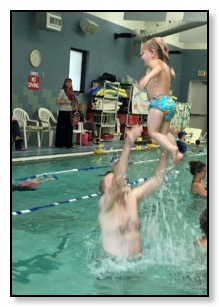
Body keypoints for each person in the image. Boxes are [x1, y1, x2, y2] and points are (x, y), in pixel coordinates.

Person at [98, 125, 172, 260]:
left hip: (137, 264)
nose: (115, 186)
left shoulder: (131, 197)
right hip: (112, 268)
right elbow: (118, 184)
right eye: (111, 186)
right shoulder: (105, 206)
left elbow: (157, 179)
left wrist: (164, 149)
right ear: (105, 192)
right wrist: (128, 143)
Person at [138, 37, 183, 165]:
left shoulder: (155, 62)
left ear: (152, 53)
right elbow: (170, 75)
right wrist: (172, 74)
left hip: (158, 103)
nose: (142, 57)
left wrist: (146, 77)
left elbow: (156, 69)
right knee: (164, 133)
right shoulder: (165, 65)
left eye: (143, 53)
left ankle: (173, 149)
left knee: (152, 132)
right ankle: (177, 154)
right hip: (170, 103)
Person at [55, 78, 78, 148]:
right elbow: (57, 101)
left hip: (69, 112)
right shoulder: (62, 91)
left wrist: (74, 103)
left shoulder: (72, 92)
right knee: (62, 128)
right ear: (65, 83)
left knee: (69, 128)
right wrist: (65, 101)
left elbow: (74, 102)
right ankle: (60, 144)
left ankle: (69, 144)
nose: (69, 84)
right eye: (68, 83)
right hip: (63, 112)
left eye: (70, 83)